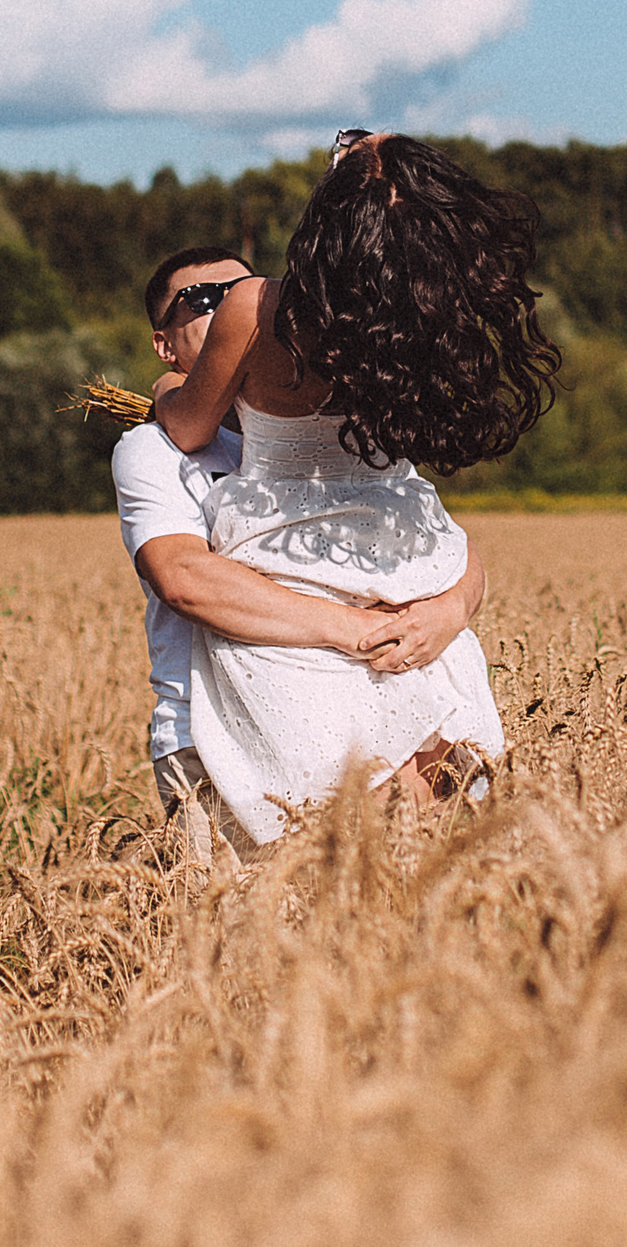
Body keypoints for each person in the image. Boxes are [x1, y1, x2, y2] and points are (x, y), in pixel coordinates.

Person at [151, 132, 560, 845]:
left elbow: (188, 428)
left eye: (344, 149)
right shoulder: (419, 328)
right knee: (443, 826)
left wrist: (165, 388)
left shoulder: (254, 310)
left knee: (349, 834)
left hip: (290, 569)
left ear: (335, 214)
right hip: (410, 572)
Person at [114, 243, 486, 866]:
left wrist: (447, 612)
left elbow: (439, 541)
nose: (230, 309)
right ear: (164, 344)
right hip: (214, 735)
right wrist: (362, 631)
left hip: (362, 722)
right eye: (204, 300)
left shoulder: (324, 427)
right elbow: (184, 578)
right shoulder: (153, 450)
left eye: (243, 295)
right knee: (241, 923)